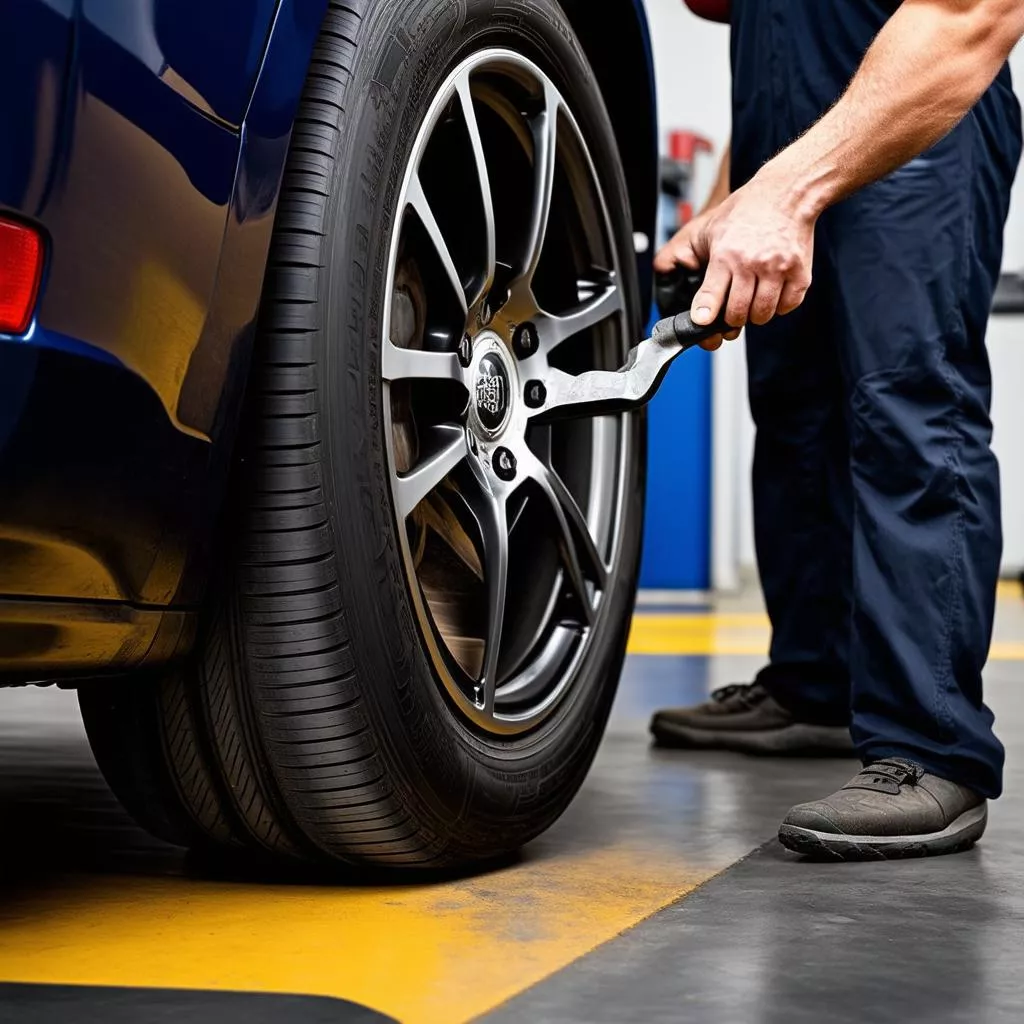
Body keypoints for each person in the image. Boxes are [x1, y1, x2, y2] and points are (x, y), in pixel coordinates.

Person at [651, 0, 1024, 859]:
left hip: (921, 133)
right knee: (798, 414)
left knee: (909, 412)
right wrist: (734, 198)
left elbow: (971, 13)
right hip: (788, 141)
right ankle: (815, 686)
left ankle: (933, 748)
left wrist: (782, 191)